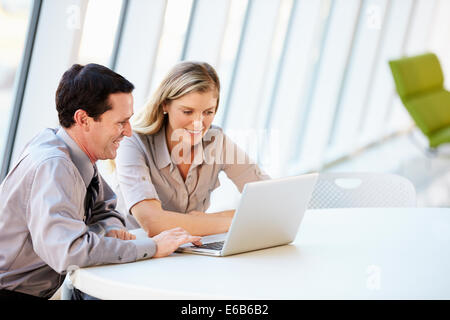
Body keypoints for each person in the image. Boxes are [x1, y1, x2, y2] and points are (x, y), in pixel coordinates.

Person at [0, 63, 201, 300]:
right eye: (120, 122)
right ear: (83, 119)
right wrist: (153, 248)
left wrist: (110, 230)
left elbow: (106, 210)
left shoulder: (73, 153)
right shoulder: (53, 165)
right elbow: (70, 251)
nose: (128, 132)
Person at [115, 61, 270, 237]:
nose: (198, 123)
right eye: (187, 112)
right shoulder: (133, 143)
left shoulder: (216, 141)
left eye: (208, 112)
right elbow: (153, 223)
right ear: (165, 104)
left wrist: (211, 219)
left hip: (188, 251)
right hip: (136, 254)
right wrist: (232, 221)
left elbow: (268, 199)